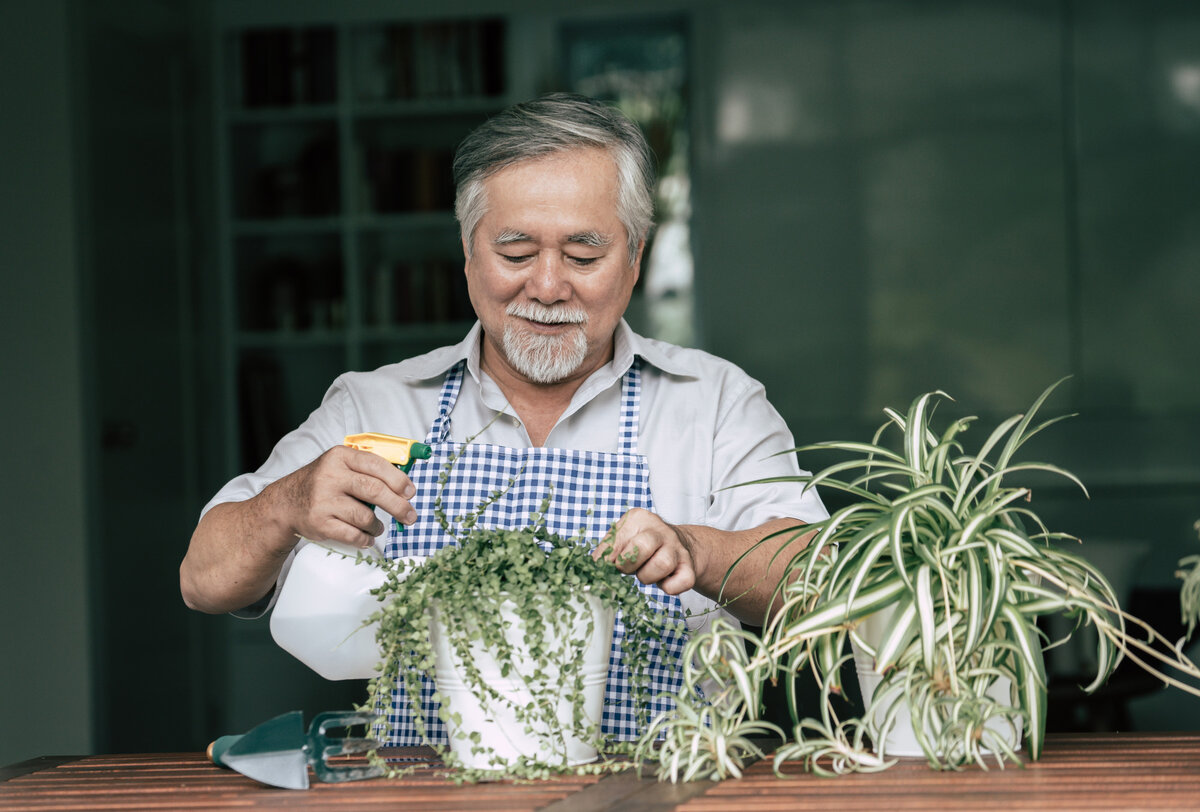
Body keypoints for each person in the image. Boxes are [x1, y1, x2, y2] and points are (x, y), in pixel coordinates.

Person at [181, 92, 826, 744]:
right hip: (427, 793)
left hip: (661, 792)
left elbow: (821, 580)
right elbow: (203, 580)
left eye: (582, 255)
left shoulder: (714, 402)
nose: (547, 287)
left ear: (635, 258)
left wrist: (696, 550)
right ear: (467, 254)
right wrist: (286, 503)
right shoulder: (376, 405)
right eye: (516, 253)